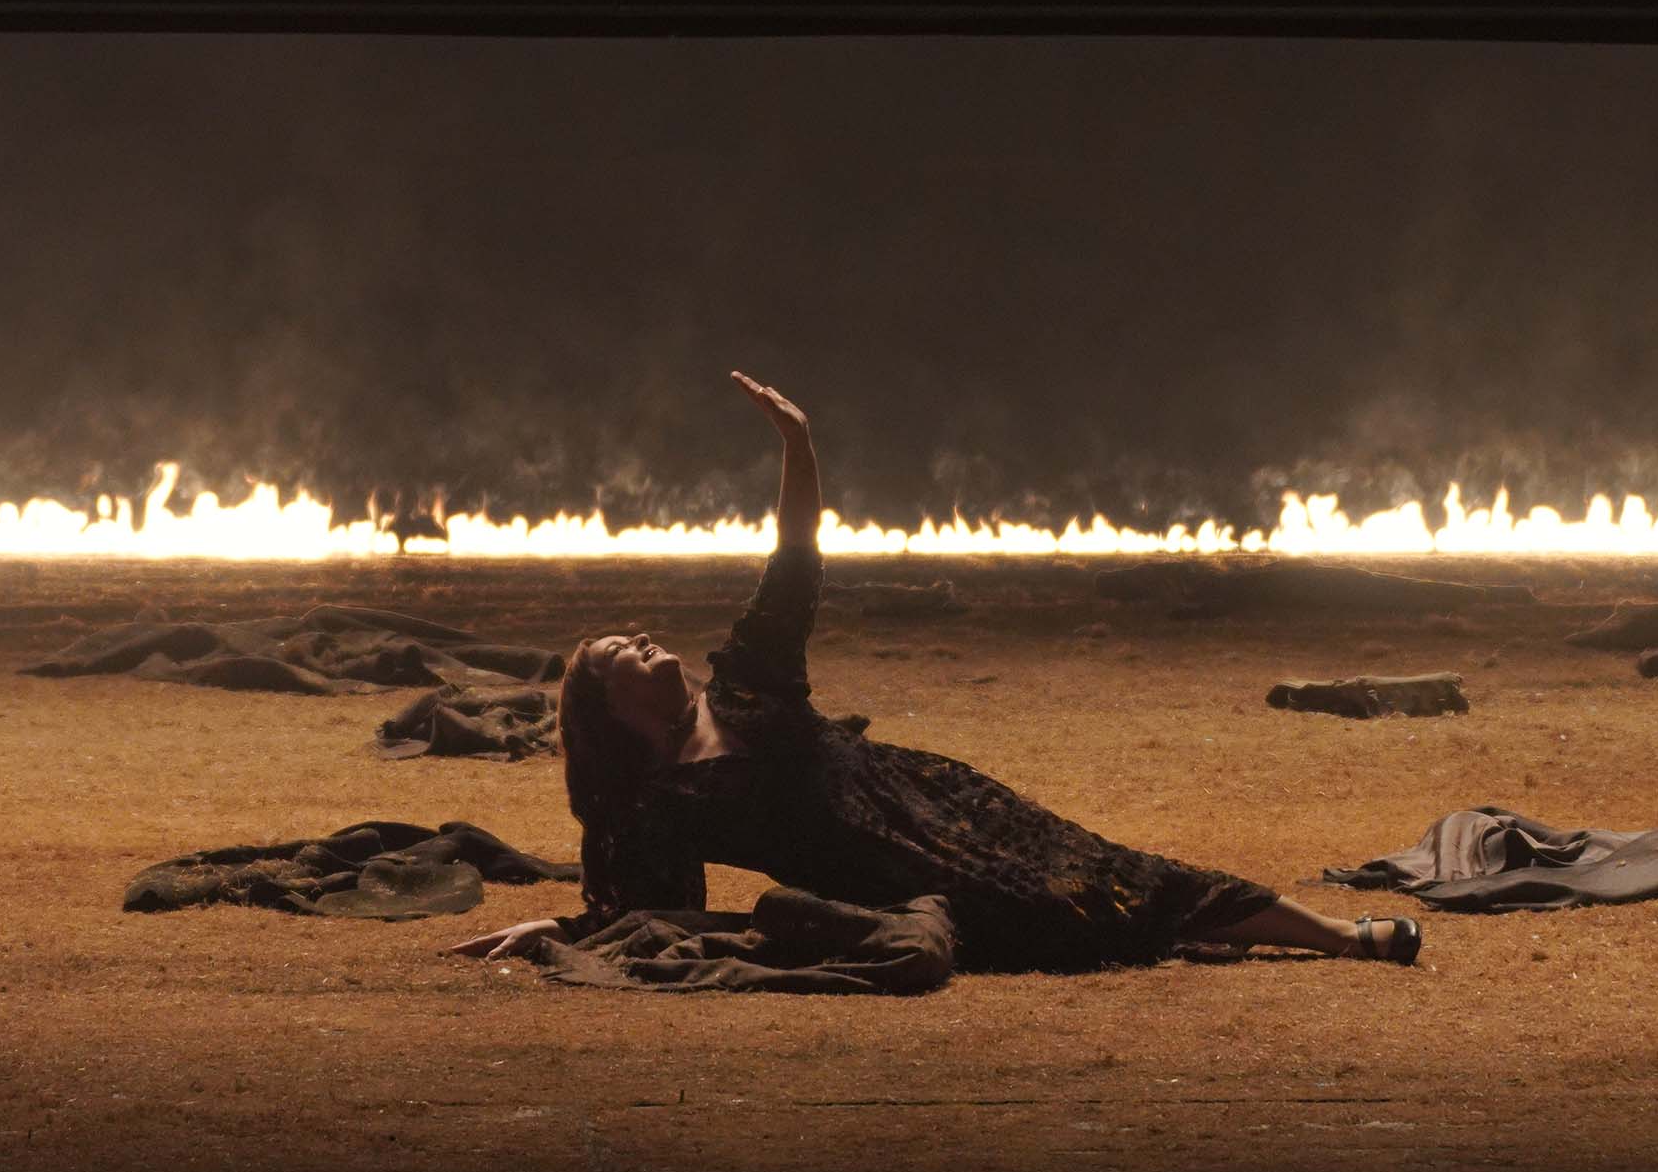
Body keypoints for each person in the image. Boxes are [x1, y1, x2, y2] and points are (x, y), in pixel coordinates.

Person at [449, 373, 1422, 971]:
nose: (642, 642)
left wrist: (798, 446)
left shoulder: (745, 680)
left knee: (1116, 872)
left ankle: (1339, 936)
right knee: (1062, 922)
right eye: (619, 656)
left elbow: (794, 562)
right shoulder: (660, 803)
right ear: (612, 709)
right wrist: (556, 930)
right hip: (891, 880)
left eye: (633, 637)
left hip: (936, 796)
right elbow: (652, 915)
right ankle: (1194, 934)